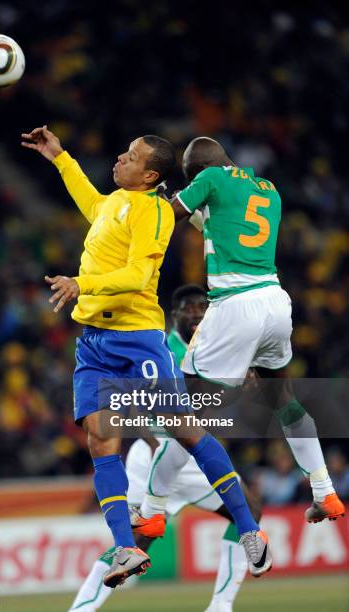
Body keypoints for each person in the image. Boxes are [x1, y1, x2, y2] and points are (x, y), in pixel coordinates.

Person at [21, 127, 272, 586]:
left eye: (130, 156)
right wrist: (60, 158)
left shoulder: (154, 211)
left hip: (137, 337)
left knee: (186, 430)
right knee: (100, 441)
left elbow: (138, 276)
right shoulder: (115, 202)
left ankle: (251, 529)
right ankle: (125, 548)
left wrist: (83, 284)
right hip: (94, 340)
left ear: (149, 173)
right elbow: (91, 203)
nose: (119, 158)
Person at [140, 136, 345, 528]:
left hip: (234, 303)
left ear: (196, 171)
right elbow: (221, 225)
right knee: (285, 401)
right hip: (274, 301)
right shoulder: (268, 190)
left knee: (180, 416)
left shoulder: (209, 177)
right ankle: (325, 492)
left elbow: (168, 217)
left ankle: (149, 512)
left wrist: (152, 202)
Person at [69, 284, 259, 612]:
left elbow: (204, 405)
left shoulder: (214, 350)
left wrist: (237, 387)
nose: (199, 313)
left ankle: (220, 606)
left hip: (188, 459)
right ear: (176, 316)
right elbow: (131, 403)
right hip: (155, 455)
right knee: (138, 540)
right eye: (191, 308)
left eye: (203, 306)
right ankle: (81, 608)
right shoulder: (162, 347)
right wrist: (155, 440)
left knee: (250, 510)